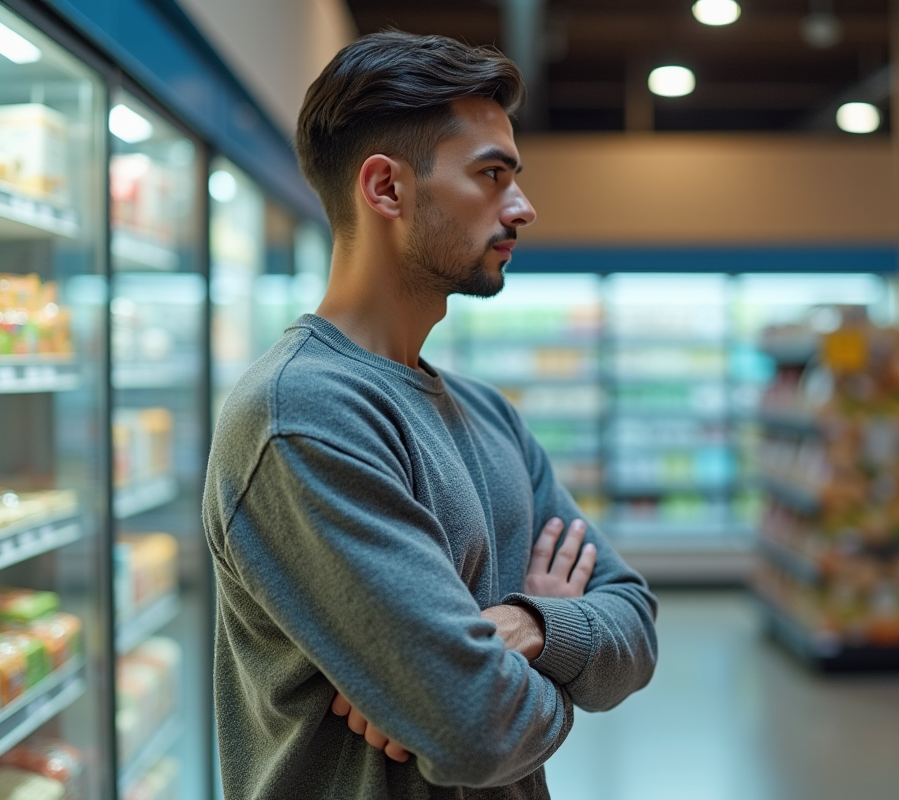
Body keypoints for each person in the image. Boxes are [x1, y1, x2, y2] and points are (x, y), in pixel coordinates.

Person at [202, 30, 658, 800]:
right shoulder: (303, 413)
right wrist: (494, 681)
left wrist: (530, 627)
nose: (525, 207)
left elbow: (636, 622)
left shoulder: (488, 415)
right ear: (386, 189)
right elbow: (476, 729)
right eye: (492, 175)